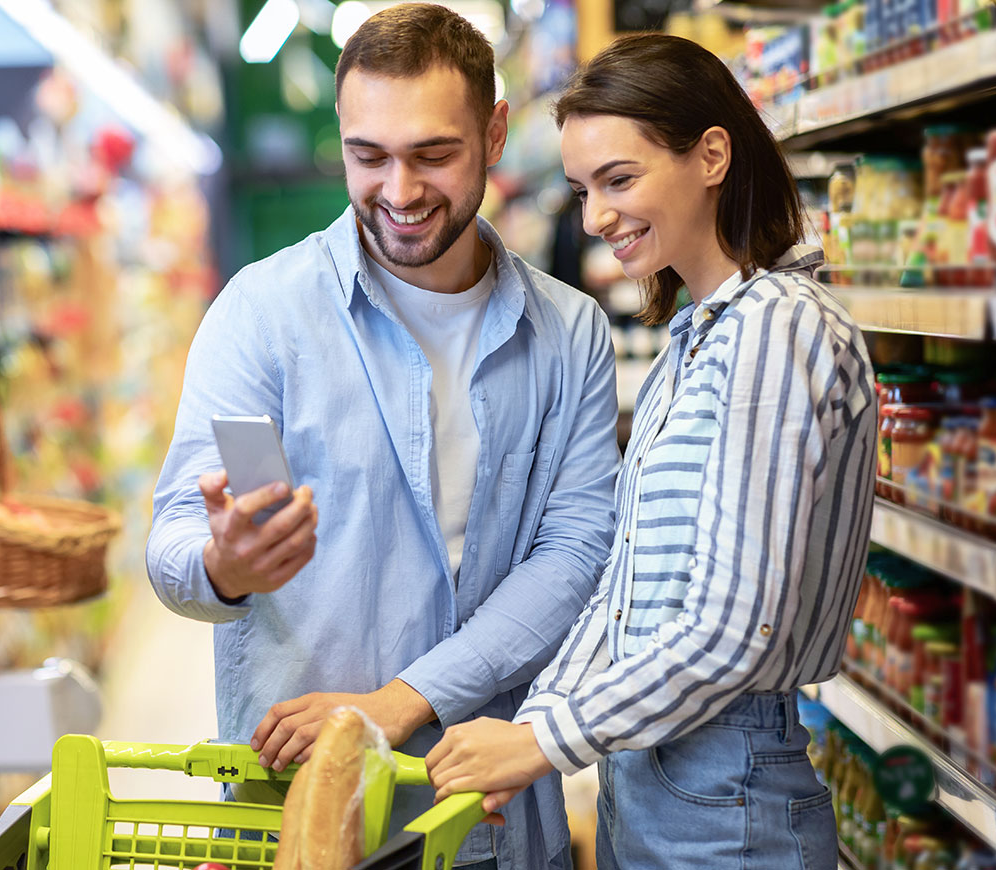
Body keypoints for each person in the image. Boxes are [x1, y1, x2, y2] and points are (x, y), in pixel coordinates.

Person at [145, 5, 622, 867]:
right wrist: (224, 567)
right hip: (300, 820)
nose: (399, 193)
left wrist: (398, 703)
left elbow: (577, 555)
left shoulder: (569, 335)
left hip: (489, 818)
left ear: (495, 132)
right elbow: (177, 539)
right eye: (369, 157)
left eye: (433, 155)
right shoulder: (263, 318)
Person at [426, 33, 875, 870]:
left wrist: (544, 741)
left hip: (728, 787)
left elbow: (733, 630)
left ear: (711, 155)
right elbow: (624, 599)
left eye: (619, 179)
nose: (595, 218)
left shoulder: (779, 326)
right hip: (655, 773)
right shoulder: (695, 340)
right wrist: (532, 726)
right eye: (582, 189)